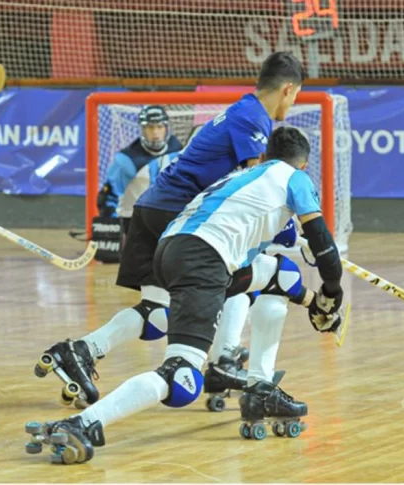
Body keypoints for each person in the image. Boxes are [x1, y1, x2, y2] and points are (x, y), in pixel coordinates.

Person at [25, 126, 345, 464]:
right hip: (204, 258)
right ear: (304, 165)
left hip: (170, 247)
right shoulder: (295, 179)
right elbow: (323, 242)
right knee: (182, 377)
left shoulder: (246, 177)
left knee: (283, 275)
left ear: (263, 156)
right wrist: (333, 292)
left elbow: (278, 256)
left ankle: (261, 388)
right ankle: (83, 423)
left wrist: (316, 303)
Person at [34, 51, 306, 408]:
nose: (295, 101)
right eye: (297, 95)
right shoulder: (255, 117)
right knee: (242, 272)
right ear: (287, 89)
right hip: (177, 213)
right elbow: (257, 187)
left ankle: (80, 350)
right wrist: (284, 227)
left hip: (151, 208)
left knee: (156, 312)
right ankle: (224, 360)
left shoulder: (242, 109)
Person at [96, 105, 182, 241]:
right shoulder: (126, 160)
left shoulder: (177, 150)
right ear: (142, 130)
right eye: (150, 128)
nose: (155, 133)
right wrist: (109, 231)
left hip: (168, 216)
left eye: (160, 127)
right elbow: (109, 196)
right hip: (135, 220)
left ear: (166, 128)